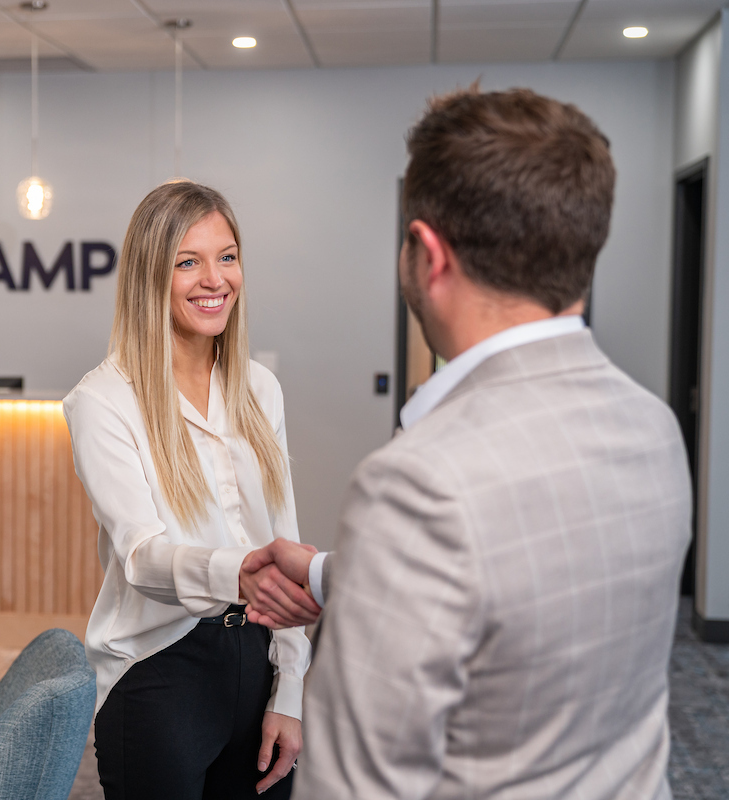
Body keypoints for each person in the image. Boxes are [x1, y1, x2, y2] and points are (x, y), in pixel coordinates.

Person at [239, 87, 691, 799]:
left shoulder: (419, 481)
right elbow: (527, 585)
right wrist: (331, 574)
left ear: (427, 254)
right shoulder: (653, 425)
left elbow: (355, 787)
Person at [63, 180, 318, 800]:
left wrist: (290, 690)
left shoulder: (260, 389)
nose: (215, 279)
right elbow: (142, 556)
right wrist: (242, 574)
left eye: (227, 256)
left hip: (256, 660)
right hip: (158, 674)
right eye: (188, 261)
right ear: (151, 275)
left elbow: (285, 541)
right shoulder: (102, 401)